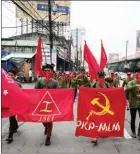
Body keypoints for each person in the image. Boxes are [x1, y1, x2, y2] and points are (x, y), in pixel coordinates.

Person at [34, 64, 59, 146]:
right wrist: (42, 91)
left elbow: (59, 93)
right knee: (43, 120)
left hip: (51, 104)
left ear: (52, 71)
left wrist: (51, 92)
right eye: (45, 70)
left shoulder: (55, 82)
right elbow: (35, 91)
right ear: (43, 71)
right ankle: (46, 127)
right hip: (41, 104)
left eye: (49, 70)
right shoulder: (40, 81)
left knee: (50, 120)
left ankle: (48, 137)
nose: (47, 72)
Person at [91, 70, 109, 145]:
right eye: (100, 76)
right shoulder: (94, 84)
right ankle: (95, 136)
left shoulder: (107, 84)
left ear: (104, 76)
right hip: (96, 105)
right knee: (95, 120)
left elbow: (111, 93)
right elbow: (89, 93)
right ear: (97, 77)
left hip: (104, 106)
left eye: (102, 76)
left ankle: (102, 132)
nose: (101, 78)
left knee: (103, 120)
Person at [6, 70, 22, 143]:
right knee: (11, 118)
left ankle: (15, 126)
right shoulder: (4, 84)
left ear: (15, 76)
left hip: (17, 103)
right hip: (9, 104)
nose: (10, 76)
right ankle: (10, 136)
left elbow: (21, 94)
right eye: (8, 75)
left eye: (12, 75)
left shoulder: (18, 84)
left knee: (13, 118)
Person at [126, 72, 140, 139]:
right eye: (138, 78)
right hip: (133, 103)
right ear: (136, 77)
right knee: (133, 118)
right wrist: (136, 85)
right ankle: (133, 132)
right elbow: (128, 88)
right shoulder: (131, 82)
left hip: (139, 103)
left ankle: (139, 131)